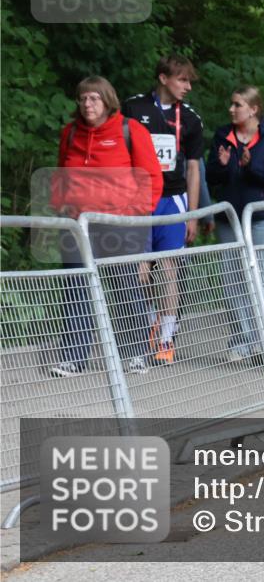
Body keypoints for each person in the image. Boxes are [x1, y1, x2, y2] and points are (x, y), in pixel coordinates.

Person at [50, 76, 163, 377]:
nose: (87, 104)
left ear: (107, 100)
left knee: (125, 287)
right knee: (76, 288)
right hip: (77, 225)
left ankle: (136, 352)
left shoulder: (130, 130)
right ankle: (73, 357)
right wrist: (60, 207)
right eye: (83, 98)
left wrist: (134, 215)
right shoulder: (70, 133)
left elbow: (151, 178)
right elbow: (61, 171)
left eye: (94, 98)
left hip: (120, 225)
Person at [123, 54, 204, 365]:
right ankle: (142, 330)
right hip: (139, 198)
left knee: (170, 267)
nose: (187, 86)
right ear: (163, 78)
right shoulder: (134, 107)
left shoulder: (192, 119)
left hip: (173, 198)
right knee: (140, 270)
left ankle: (166, 338)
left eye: (189, 81)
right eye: (182, 80)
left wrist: (193, 214)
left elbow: (195, 168)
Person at [206, 86, 264, 363]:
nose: (231, 109)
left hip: (262, 216)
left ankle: (261, 341)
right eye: (231, 104)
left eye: (237, 105)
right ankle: (242, 340)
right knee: (232, 281)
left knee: (261, 281)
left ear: (253, 109)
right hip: (229, 218)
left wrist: (251, 166)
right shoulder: (222, 135)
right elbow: (211, 177)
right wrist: (222, 164)